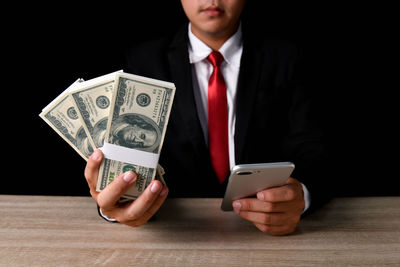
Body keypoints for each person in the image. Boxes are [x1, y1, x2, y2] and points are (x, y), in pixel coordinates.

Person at [84, 0, 330, 235]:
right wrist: (113, 208)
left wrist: (303, 197)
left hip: (262, 236)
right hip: (176, 231)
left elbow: (315, 149)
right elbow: (119, 158)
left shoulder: (287, 56)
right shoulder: (142, 60)